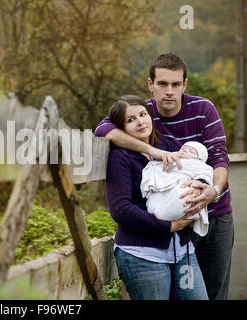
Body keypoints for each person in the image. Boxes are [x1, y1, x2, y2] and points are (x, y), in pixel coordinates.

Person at [95, 53, 234, 300]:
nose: (169, 91)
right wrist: (151, 150)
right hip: (172, 229)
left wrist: (212, 192)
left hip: (214, 214)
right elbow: (103, 130)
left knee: (213, 292)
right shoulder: (142, 112)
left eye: (176, 84)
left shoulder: (203, 109)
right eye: (162, 84)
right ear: (151, 85)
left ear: (184, 84)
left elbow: (219, 157)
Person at [105, 95, 208, 300]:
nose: (140, 121)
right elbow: (120, 209)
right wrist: (167, 226)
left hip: (182, 252)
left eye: (143, 114)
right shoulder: (120, 157)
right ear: (120, 127)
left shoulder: (167, 145)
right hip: (142, 254)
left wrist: (200, 185)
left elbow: (191, 167)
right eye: (130, 119)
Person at [141, 141, 213, 237]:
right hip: (165, 187)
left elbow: (206, 173)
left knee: (184, 196)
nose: (185, 150)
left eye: (191, 151)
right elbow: (157, 166)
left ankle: (165, 215)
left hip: (183, 186)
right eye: (183, 148)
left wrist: (199, 180)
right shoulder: (171, 157)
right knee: (154, 202)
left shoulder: (198, 164)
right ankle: (156, 212)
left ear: (199, 157)